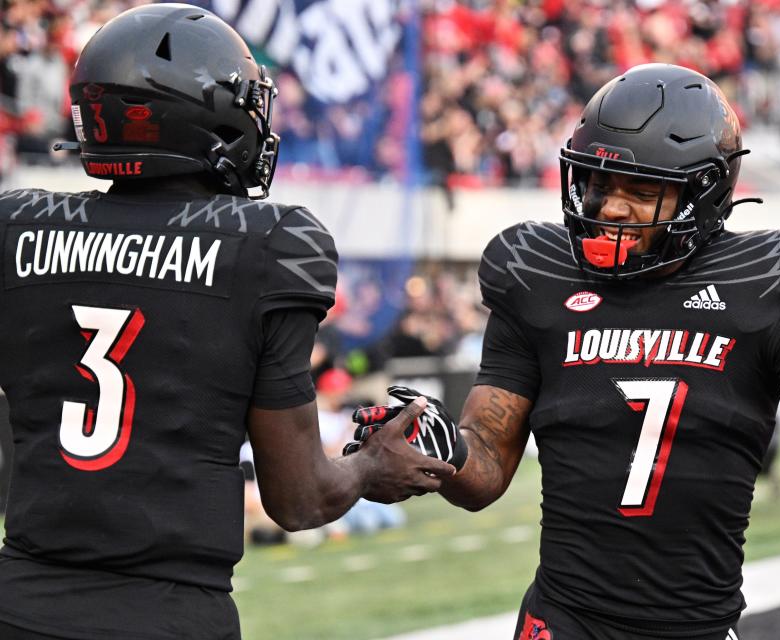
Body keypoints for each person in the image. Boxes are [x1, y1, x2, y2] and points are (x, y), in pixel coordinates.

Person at [347, 64, 780, 640]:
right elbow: (486, 471)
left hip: (696, 627)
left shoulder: (761, 285)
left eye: (641, 189)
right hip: (563, 619)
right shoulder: (537, 275)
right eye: (598, 183)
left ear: (703, 193)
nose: (609, 208)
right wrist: (444, 446)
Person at [0, 5, 454, 640]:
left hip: (19, 602)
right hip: (169, 613)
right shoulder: (267, 246)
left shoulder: (18, 226)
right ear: (203, 115)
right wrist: (371, 466)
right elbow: (299, 499)